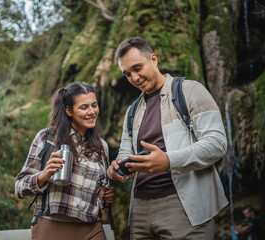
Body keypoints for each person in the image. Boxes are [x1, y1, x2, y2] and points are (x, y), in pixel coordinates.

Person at [106, 36, 228, 239]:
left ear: (153, 59)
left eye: (138, 68)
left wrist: (168, 161)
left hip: (184, 206)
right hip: (139, 210)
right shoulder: (132, 111)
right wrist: (119, 167)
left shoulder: (190, 90)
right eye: (127, 74)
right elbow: (126, 153)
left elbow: (217, 143)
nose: (134, 78)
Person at [15, 82, 117, 240]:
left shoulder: (102, 146)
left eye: (94, 105)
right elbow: (20, 188)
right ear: (68, 110)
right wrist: (44, 175)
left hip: (92, 227)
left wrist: (104, 197)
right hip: (53, 226)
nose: (91, 112)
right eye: (84, 107)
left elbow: (99, 194)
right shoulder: (47, 138)